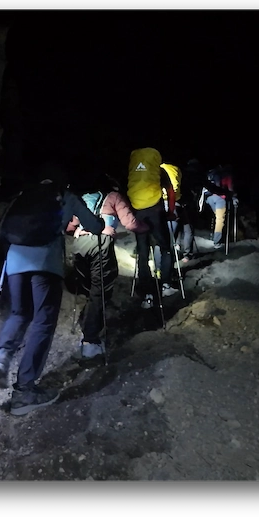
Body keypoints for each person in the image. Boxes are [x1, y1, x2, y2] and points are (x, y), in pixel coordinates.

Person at [0, 162, 104, 415]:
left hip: (15, 263)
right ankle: (24, 391)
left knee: (19, 313)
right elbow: (95, 227)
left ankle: (1, 355)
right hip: (45, 265)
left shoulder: (23, 196)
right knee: (43, 321)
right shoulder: (66, 196)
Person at [66, 172, 149, 359]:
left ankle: (89, 320)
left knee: (89, 288)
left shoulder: (82, 198)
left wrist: (81, 232)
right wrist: (147, 227)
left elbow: (69, 227)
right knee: (100, 290)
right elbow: (130, 223)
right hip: (99, 245)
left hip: (80, 246)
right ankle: (90, 341)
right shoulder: (114, 197)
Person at [126, 147, 180, 309]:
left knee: (143, 253)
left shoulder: (133, 171)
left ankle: (147, 295)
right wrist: (170, 213)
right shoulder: (159, 171)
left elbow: (126, 190)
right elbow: (170, 191)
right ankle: (165, 285)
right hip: (155, 210)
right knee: (165, 247)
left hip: (138, 210)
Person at [160, 162, 195, 263]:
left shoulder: (160, 168)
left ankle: (170, 257)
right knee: (187, 228)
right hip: (180, 202)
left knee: (170, 233)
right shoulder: (177, 169)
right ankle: (186, 255)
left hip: (163, 202)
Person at [202, 164, 237, 248]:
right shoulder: (226, 175)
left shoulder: (211, 173)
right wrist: (233, 197)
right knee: (220, 220)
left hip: (209, 198)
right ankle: (217, 242)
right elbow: (230, 188)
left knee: (216, 217)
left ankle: (214, 237)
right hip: (220, 198)